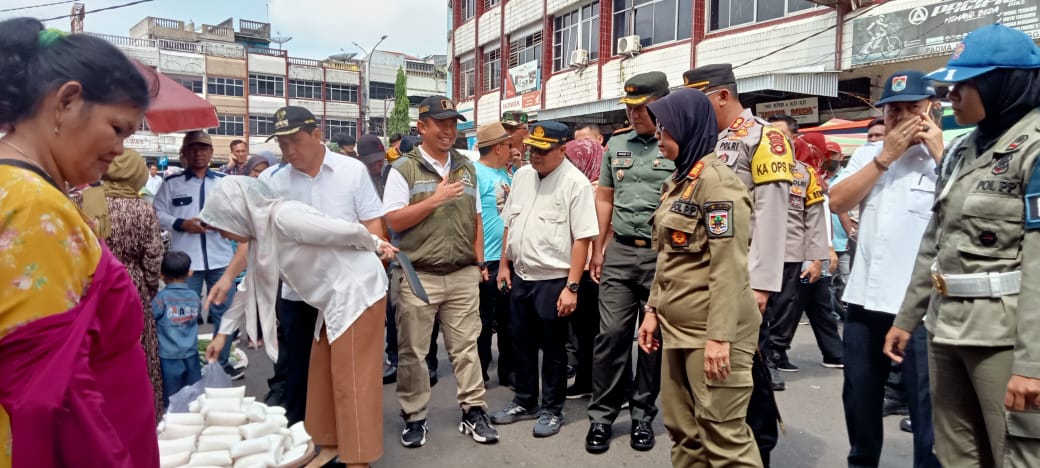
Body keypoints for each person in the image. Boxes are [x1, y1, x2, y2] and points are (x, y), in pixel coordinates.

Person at [0, 17, 157, 467]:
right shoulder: (33, 207)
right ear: (67, 100)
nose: (121, 151)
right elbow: (51, 398)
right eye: (118, 128)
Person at [885, 24, 1040, 468]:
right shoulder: (960, 149)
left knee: (1016, 454)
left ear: (1002, 82)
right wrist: (907, 317)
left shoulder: (1034, 147)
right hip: (946, 327)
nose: (949, 95)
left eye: (962, 85)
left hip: (1004, 340)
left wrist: (1032, 364)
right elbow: (935, 240)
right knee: (957, 455)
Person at [202, 177, 395, 468]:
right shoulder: (261, 237)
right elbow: (248, 288)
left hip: (358, 291)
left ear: (236, 213)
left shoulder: (284, 216)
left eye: (221, 227)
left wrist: (378, 244)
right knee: (320, 375)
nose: (223, 236)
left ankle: (358, 460)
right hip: (332, 300)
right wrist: (222, 335)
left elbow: (345, 230)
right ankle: (329, 446)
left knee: (352, 380)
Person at [639, 87, 763, 468]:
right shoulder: (679, 182)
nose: (660, 139)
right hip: (678, 331)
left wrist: (719, 339)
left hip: (711, 334)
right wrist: (652, 311)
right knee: (683, 433)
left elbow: (729, 267)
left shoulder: (719, 183)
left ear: (689, 127)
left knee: (724, 440)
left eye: (666, 131)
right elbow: (669, 259)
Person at [829, 69, 942, 468]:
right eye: (893, 111)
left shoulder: (949, 157)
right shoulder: (867, 155)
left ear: (931, 109)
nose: (901, 118)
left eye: (911, 108)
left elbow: (963, 209)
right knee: (860, 398)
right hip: (865, 302)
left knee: (928, 407)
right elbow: (838, 202)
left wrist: (938, 152)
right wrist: (884, 157)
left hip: (924, 310)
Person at [684, 63, 793, 466]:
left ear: (723, 96)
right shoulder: (706, 140)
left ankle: (758, 448)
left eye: (700, 100)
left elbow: (772, 215)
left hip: (744, 278)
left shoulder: (765, 139)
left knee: (747, 371)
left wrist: (761, 285)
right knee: (713, 376)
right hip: (706, 277)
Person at [383, 96, 498, 447]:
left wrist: (478, 263)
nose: (449, 130)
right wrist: (434, 199)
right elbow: (392, 220)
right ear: (422, 128)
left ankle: (474, 410)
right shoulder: (404, 168)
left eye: (453, 123)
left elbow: (476, 218)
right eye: (441, 123)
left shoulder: (466, 167)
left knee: (467, 347)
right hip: (418, 275)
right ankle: (415, 416)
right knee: (414, 352)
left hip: (462, 273)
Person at [491, 121, 599, 438]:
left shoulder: (574, 184)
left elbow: (582, 239)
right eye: (532, 149)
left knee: (553, 349)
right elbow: (511, 222)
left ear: (562, 149)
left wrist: (572, 287)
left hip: (554, 279)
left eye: (543, 150)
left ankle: (552, 409)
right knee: (520, 342)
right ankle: (525, 401)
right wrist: (504, 265)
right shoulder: (523, 176)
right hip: (521, 275)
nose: (535, 156)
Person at [586, 72, 672, 454]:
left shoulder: (675, 145)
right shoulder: (616, 144)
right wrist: (598, 248)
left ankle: (642, 416)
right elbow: (605, 198)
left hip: (662, 253)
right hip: (619, 251)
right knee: (610, 337)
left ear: (661, 104)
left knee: (651, 340)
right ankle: (602, 417)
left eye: (641, 107)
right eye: (629, 107)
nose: (633, 113)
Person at [79, 149, 165, 418]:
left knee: (96, 353)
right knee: (137, 350)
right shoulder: (143, 209)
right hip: (131, 286)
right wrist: (147, 289)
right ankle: (139, 413)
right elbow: (153, 257)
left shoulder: (83, 201)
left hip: (91, 287)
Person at [153, 130, 240, 378]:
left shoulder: (224, 182)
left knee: (224, 313)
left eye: (203, 148)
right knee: (183, 316)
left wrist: (221, 223)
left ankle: (218, 363)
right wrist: (181, 223)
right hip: (185, 263)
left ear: (212, 152)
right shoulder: (172, 183)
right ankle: (188, 366)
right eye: (193, 148)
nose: (198, 153)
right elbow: (157, 214)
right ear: (184, 153)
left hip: (221, 259)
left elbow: (239, 215)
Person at [765, 132, 843, 375]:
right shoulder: (761, 170)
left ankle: (773, 358)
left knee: (786, 308)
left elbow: (815, 219)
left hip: (793, 256)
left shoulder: (806, 175)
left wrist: (819, 257)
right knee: (763, 309)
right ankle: (769, 358)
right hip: (762, 254)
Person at [473, 122, 515, 388]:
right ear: (498, 147)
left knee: (508, 319)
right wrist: (476, 261)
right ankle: (479, 369)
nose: (513, 149)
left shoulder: (506, 175)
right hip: (485, 259)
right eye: (509, 145)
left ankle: (508, 370)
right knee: (482, 320)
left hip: (505, 259)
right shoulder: (474, 174)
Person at [562, 138, 604, 400]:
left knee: (594, 333)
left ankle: (598, 385)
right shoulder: (581, 185)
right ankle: (586, 381)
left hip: (594, 268)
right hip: (581, 266)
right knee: (584, 332)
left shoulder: (597, 188)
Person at [152, 251, 201, 407]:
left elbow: (151, 315)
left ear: (161, 275)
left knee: (171, 397)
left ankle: (173, 422)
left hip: (168, 355)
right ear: (189, 273)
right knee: (193, 395)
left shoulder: (161, 298)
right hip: (191, 353)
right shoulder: (193, 296)